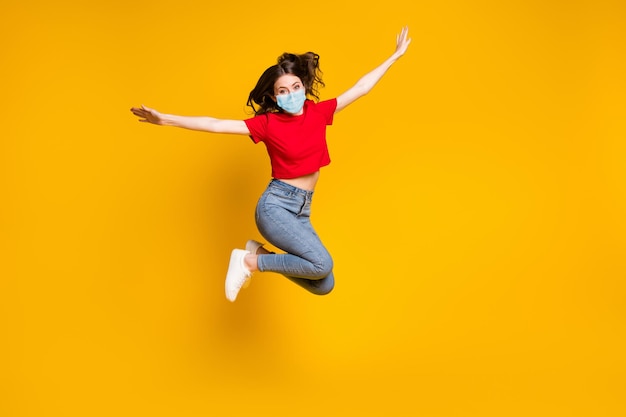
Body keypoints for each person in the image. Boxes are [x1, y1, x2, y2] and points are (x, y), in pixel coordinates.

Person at [130, 27, 411, 302]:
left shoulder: (319, 111)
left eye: (296, 87)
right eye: (283, 91)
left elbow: (361, 88)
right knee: (321, 263)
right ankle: (248, 262)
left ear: (304, 86)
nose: (291, 94)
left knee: (324, 284)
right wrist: (165, 119)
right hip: (276, 207)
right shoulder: (268, 124)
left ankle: (258, 256)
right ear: (275, 98)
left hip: (302, 210)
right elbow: (215, 125)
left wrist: (394, 57)